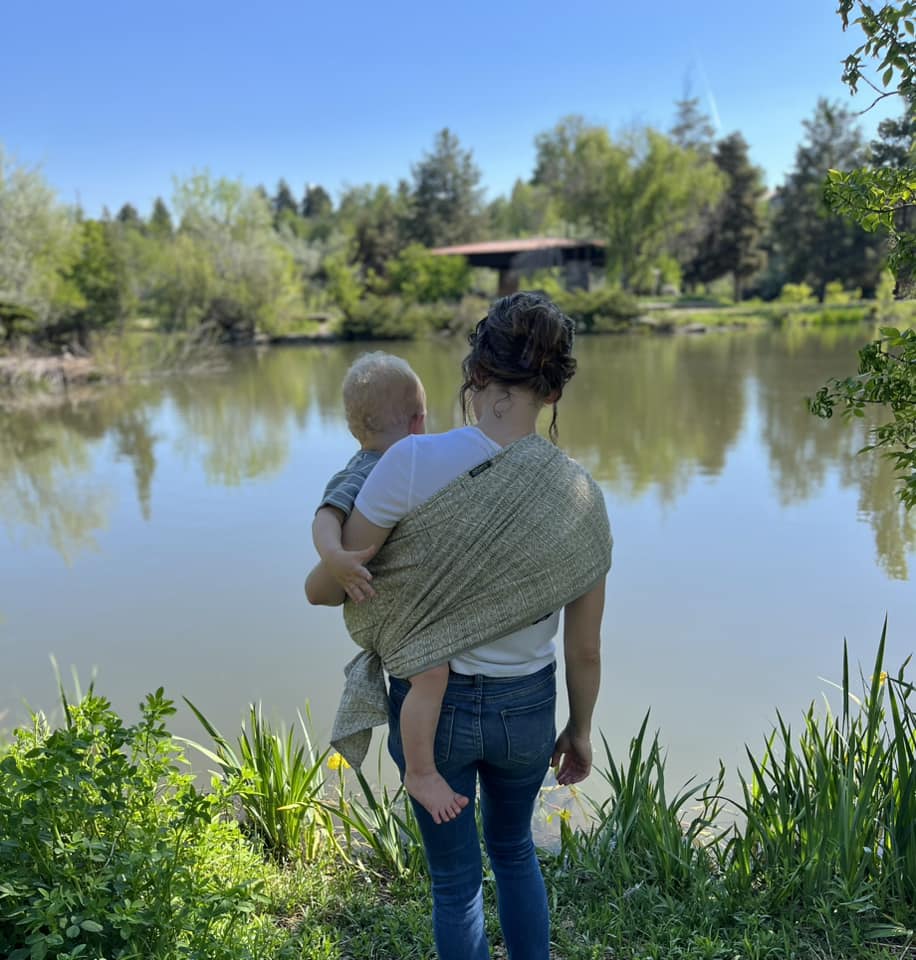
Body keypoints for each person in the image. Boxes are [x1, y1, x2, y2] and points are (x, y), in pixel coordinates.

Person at [307, 292, 610, 960]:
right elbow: (583, 647)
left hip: (432, 708)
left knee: (454, 881)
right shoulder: (580, 497)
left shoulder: (408, 463)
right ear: (552, 391)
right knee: (514, 853)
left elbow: (337, 586)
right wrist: (580, 729)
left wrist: (327, 553)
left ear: (474, 372)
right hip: (529, 708)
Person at [309, 351, 469, 824]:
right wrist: (334, 558)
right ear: (419, 421)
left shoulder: (406, 463)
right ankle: (420, 772)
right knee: (432, 673)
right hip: (374, 598)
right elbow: (325, 517)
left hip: (383, 591)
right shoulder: (363, 471)